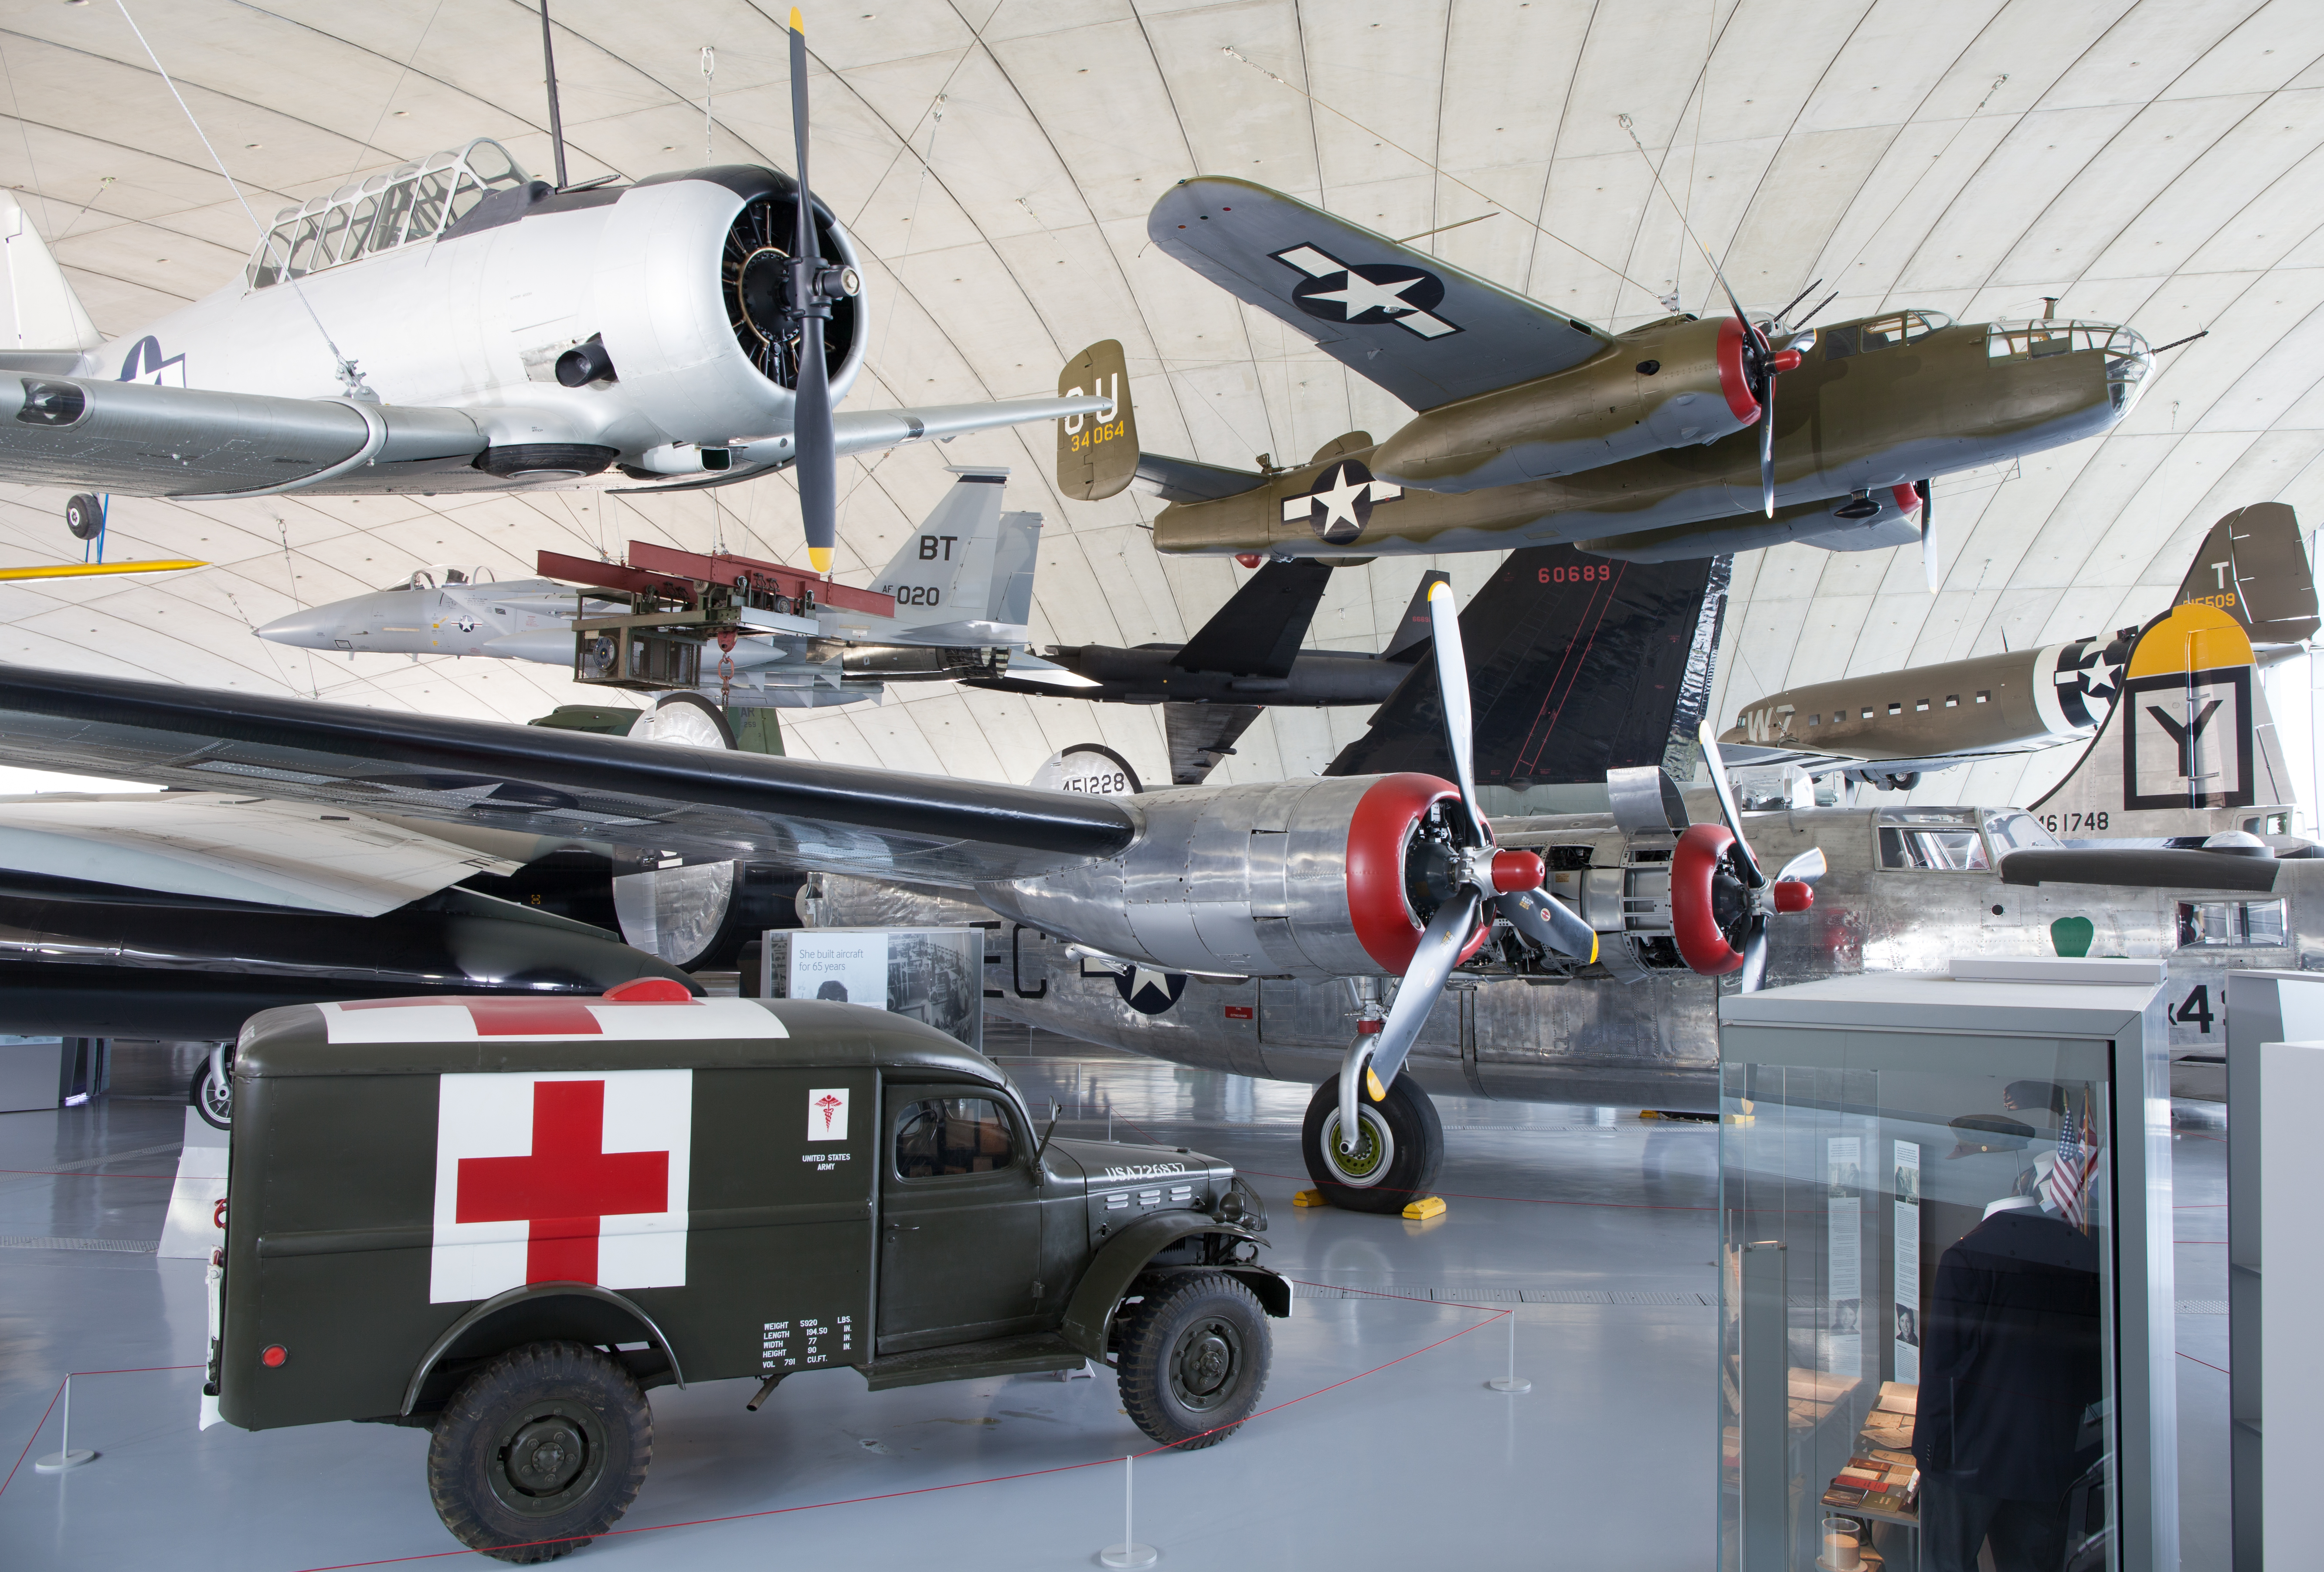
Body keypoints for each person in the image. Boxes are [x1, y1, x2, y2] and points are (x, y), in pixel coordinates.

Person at [1913, 1158, 2102, 1571]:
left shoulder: (1965, 1257)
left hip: (1966, 1460)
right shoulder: (2081, 1251)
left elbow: (1945, 1372)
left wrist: (1927, 1455)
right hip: (2044, 1458)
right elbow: (2093, 1368)